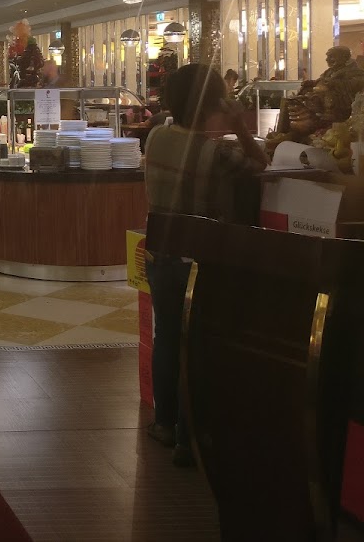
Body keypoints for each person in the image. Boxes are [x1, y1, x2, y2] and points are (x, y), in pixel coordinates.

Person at [143, 64, 267, 469]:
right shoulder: (217, 153)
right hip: (199, 263)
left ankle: (164, 423)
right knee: (195, 345)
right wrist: (239, 126)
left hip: (160, 255)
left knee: (166, 338)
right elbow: (260, 164)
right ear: (214, 103)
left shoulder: (156, 137)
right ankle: (188, 438)